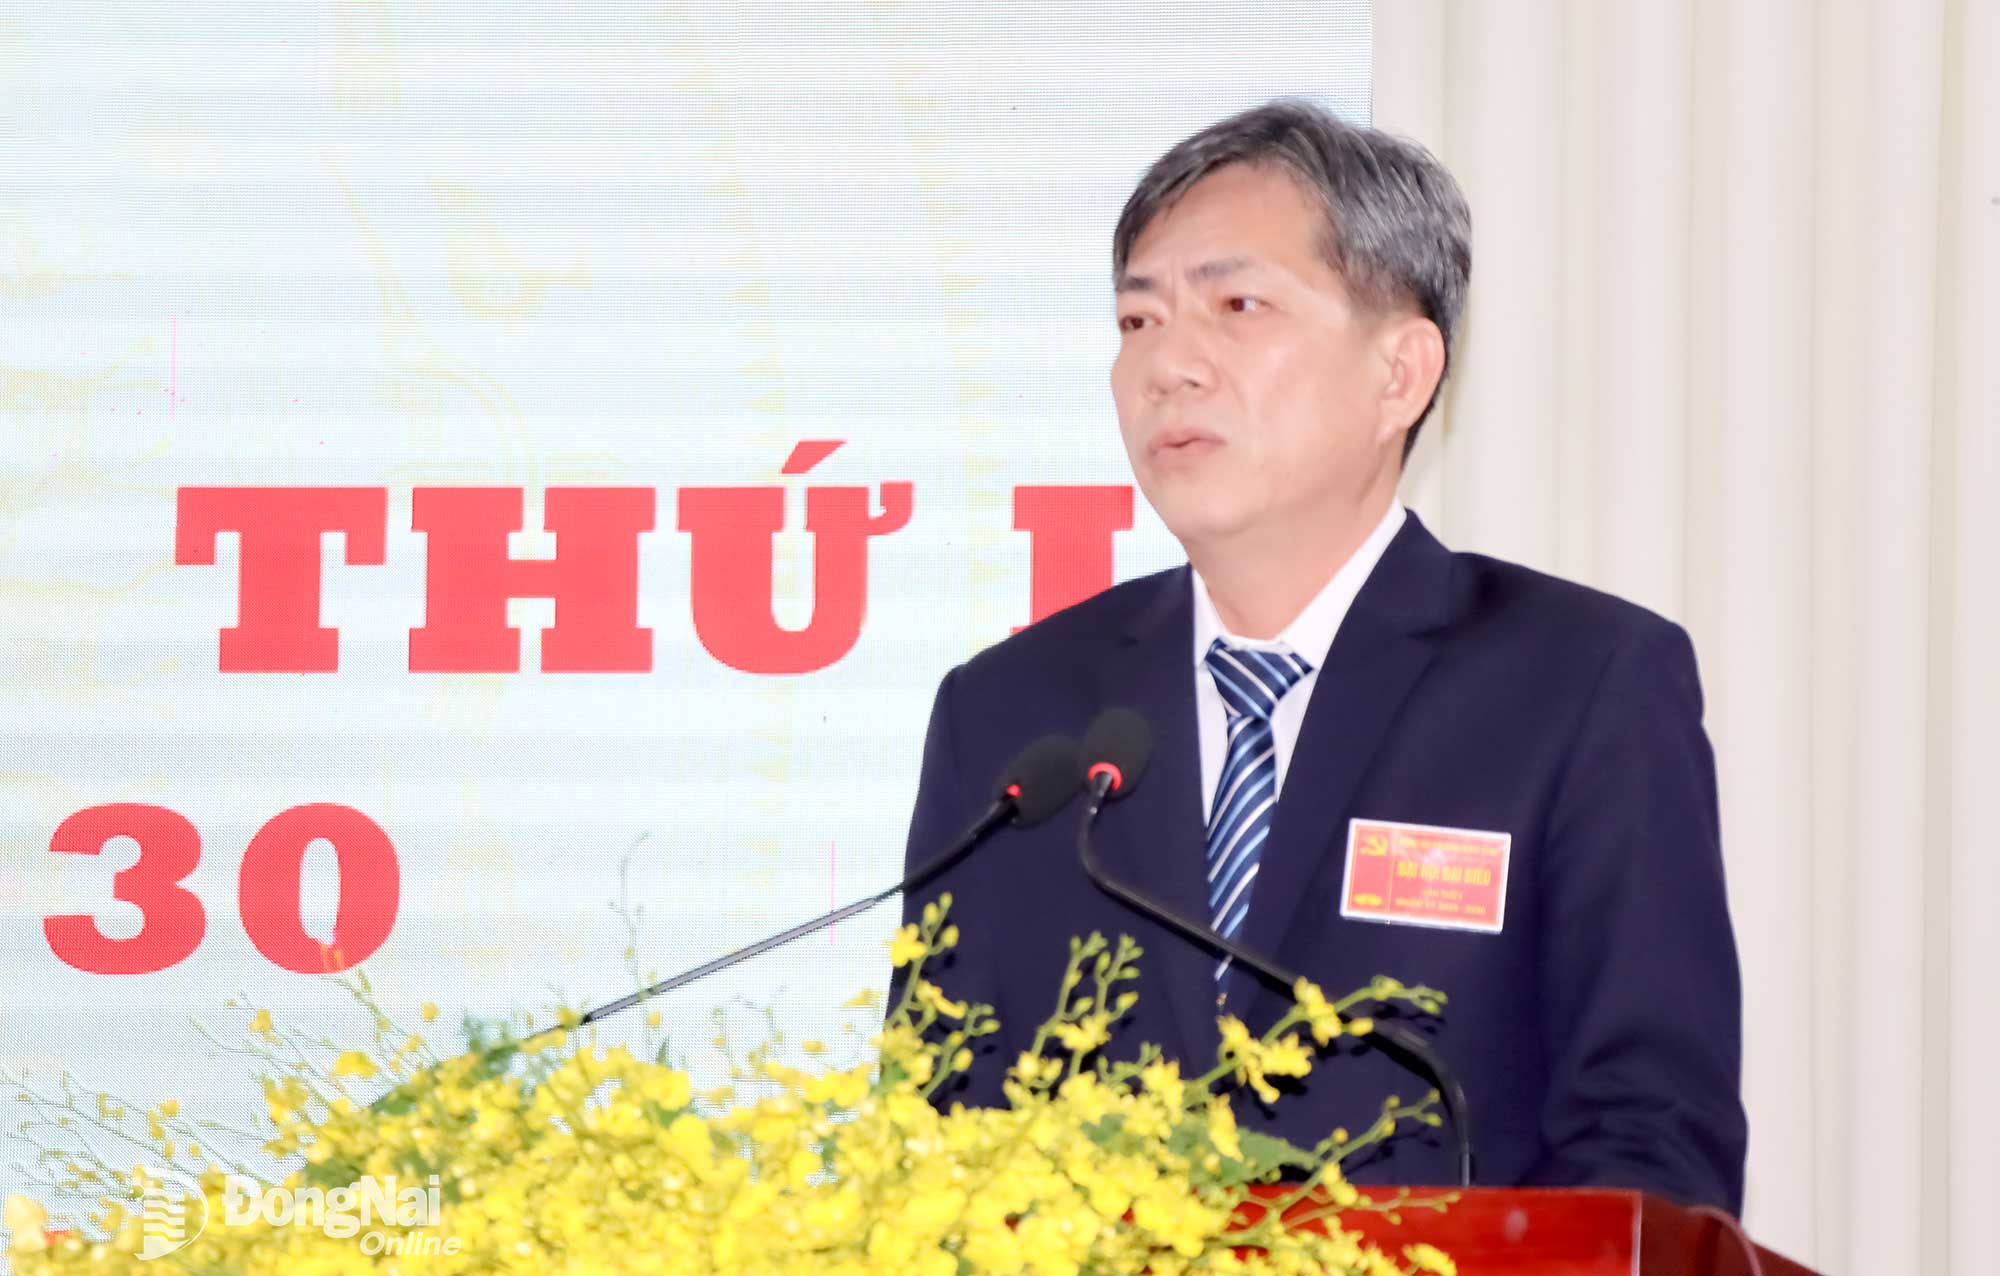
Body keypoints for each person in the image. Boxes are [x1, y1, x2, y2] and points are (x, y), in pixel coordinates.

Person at [896, 99, 1747, 1212]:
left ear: (1399, 373)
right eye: (1137, 323)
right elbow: (930, 1139)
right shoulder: (1014, 717)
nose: (1167, 367)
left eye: (1236, 304)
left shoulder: (1577, 686)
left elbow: (1648, 1145)